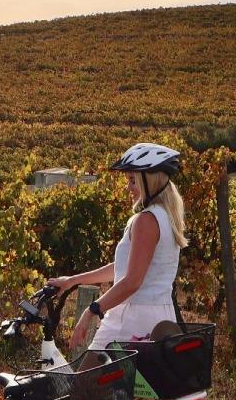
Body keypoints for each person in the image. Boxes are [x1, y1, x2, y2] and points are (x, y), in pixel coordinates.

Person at [47, 141, 187, 357]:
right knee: (132, 389)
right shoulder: (165, 217)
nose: (128, 187)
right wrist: (72, 280)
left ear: (149, 181)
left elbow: (132, 281)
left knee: (86, 387)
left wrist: (92, 310)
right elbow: (124, 268)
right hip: (159, 315)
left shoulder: (146, 220)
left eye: (133, 180)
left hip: (132, 317)